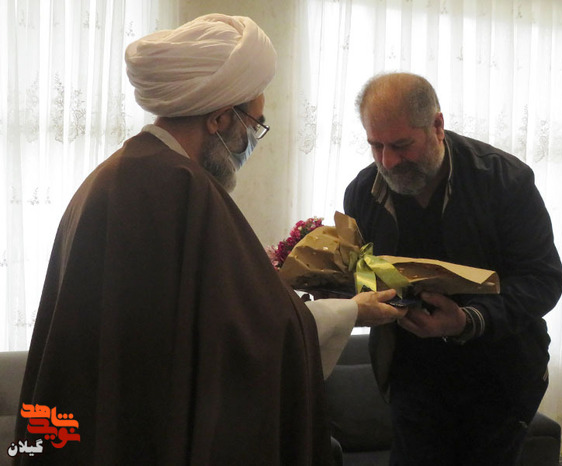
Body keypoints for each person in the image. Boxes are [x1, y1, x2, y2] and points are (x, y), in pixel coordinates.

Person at [14, 15, 403, 465]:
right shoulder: (181, 186)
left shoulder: (116, 175)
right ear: (219, 118)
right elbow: (253, 338)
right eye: (254, 124)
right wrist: (352, 310)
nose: (252, 140)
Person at [344, 72, 562, 465]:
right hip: (411, 374)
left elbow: (543, 280)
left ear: (437, 126)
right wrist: (338, 291)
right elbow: (364, 273)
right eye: (375, 146)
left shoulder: (506, 181)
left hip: (500, 373)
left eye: (401, 145)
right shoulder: (363, 191)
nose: (387, 162)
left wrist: (465, 320)